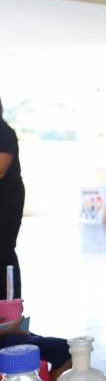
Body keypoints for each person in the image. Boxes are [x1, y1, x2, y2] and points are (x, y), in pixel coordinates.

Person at [0, 97, 23, 301]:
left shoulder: (4, 133)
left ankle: (10, 305)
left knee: (4, 249)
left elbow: (0, 169)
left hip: (7, 199)